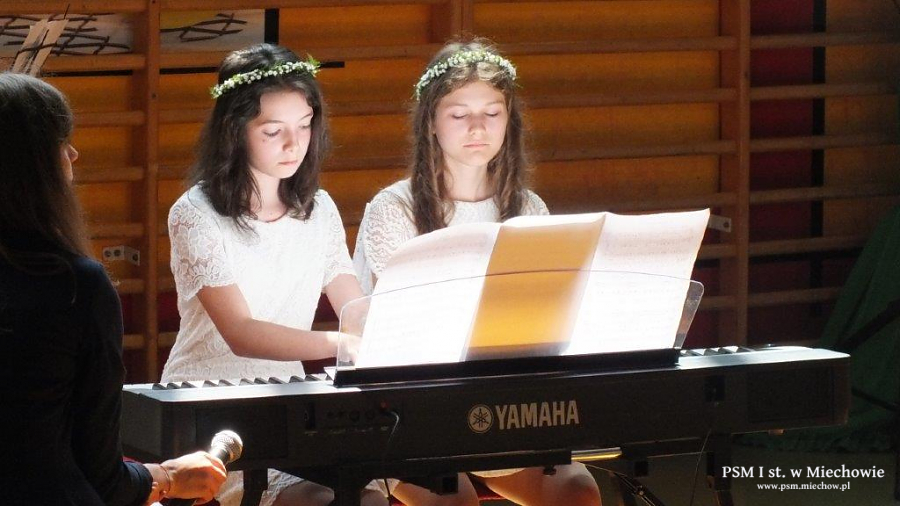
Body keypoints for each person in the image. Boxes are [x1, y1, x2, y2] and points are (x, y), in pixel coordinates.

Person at [353, 39, 602, 506]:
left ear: (509, 120)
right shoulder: (393, 208)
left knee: (578, 492)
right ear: (431, 121)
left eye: (492, 112)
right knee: (455, 501)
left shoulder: (529, 207)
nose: (477, 127)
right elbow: (404, 330)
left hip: (503, 404)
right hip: (413, 409)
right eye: (459, 113)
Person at [160, 43, 384, 506]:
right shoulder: (195, 213)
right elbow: (241, 333)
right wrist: (341, 343)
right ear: (234, 130)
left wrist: (389, 333)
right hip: (208, 402)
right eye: (273, 130)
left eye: (305, 125)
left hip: (288, 400)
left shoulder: (318, 208)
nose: (293, 144)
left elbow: (354, 304)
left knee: (366, 497)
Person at [0, 72, 227, 506]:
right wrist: (168, 476)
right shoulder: (75, 286)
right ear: (31, 166)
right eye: (61, 142)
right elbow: (101, 478)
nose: (73, 153)